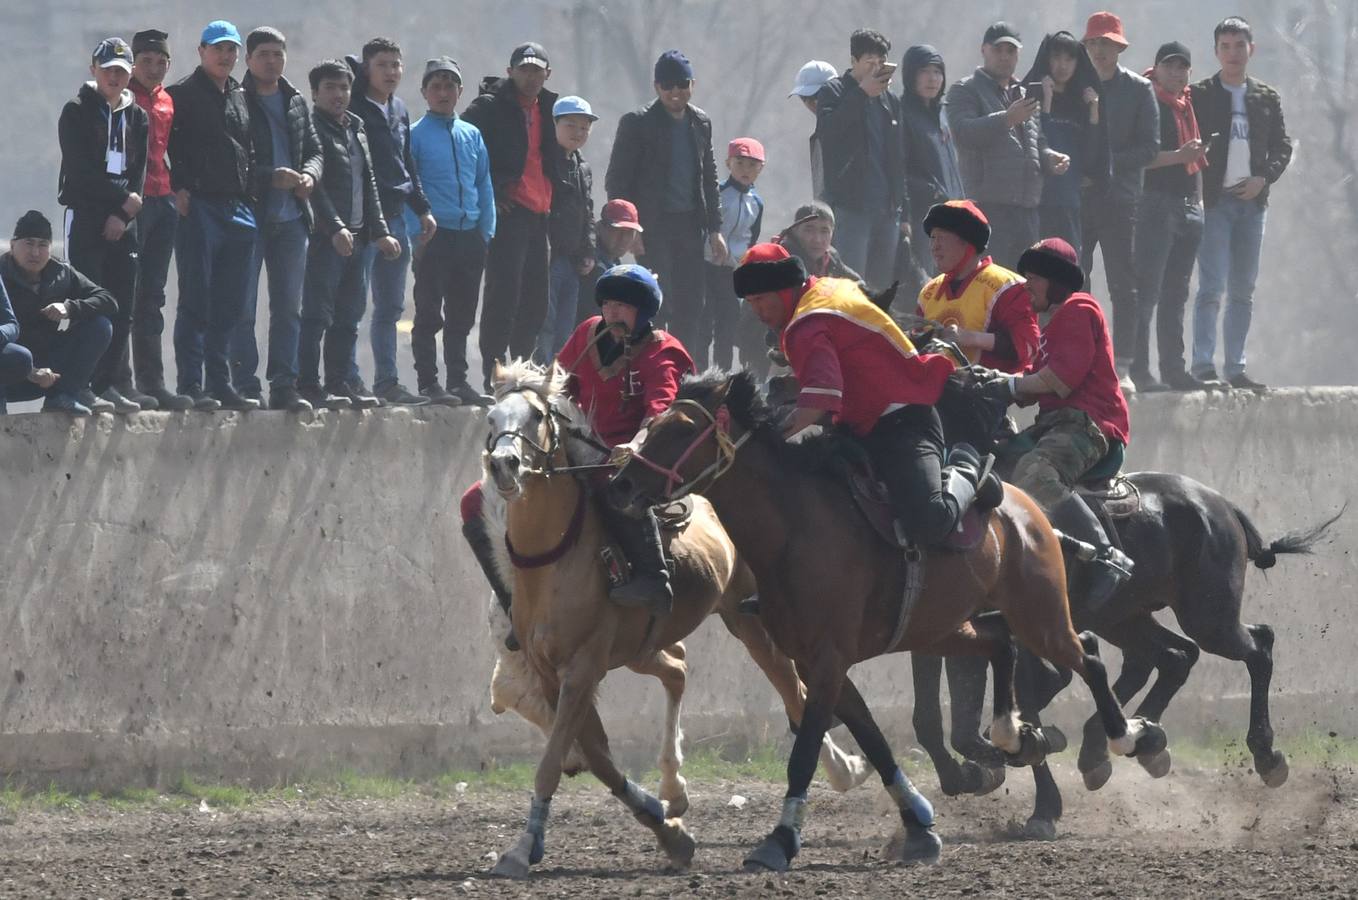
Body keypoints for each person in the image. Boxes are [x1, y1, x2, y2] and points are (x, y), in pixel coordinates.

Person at [732, 242, 1002, 549]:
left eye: (760, 300)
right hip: (859, 425)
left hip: (904, 422)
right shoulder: (825, 289)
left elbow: (820, 401)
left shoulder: (806, 325)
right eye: (750, 303)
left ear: (783, 290)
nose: (757, 311)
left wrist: (765, 435)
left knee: (929, 522)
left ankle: (967, 466)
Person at [972, 238, 1133, 613]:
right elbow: (1033, 379)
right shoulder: (1054, 324)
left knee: (1034, 472)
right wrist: (983, 379)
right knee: (1000, 462)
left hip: (1089, 425)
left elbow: (1059, 379)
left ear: (1057, 282)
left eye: (1033, 278)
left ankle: (1107, 556)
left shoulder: (1080, 309)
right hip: (1055, 425)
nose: (1026, 286)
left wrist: (1007, 385)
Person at [558, 265, 695, 612]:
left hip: (642, 451)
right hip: (584, 442)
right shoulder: (588, 333)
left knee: (615, 485)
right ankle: (509, 593)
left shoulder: (663, 352)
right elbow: (559, 384)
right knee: (481, 499)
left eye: (624, 306)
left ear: (643, 311)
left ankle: (654, 577)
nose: (612, 312)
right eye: (608, 304)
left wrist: (635, 445)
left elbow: (660, 413)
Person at [1190, 16, 1292, 391]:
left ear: (1252, 49)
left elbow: (1283, 146)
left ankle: (1236, 366)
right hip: (1215, 202)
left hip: (1253, 205)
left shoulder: (1265, 97)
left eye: (1239, 45)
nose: (1233, 53)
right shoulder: (1200, 94)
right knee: (1211, 286)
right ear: (1216, 51)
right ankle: (1203, 364)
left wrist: (1263, 178)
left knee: (1243, 290)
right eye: (1225, 46)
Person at [605, 50, 726, 356]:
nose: (676, 92)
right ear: (657, 87)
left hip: (689, 226)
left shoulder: (700, 122)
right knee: (658, 302)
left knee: (692, 304)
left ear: (692, 84)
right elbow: (617, 181)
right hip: (652, 228)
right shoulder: (637, 123)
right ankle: (649, 367)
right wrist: (631, 231)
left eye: (682, 84)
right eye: (668, 85)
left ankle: (684, 374)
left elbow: (708, 178)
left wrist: (715, 229)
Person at [298, 59, 400, 410]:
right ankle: (308, 385)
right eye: (330, 88)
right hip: (325, 240)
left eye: (343, 87)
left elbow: (368, 183)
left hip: (357, 238)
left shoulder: (355, 128)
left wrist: (381, 231)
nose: (338, 95)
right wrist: (335, 227)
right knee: (316, 314)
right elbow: (316, 187)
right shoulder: (311, 129)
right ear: (315, 93)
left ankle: (338, 381)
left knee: (349, 315)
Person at [167, 20, 258, 412]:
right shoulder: (181, 95)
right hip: (199, 205)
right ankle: (191, 383)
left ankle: (220, 383)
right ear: (202, 51)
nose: (226, 56)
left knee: (230, 302)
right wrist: (177, 187)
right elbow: (157, 148)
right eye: (218, 48)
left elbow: (246, 148)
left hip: (237, 207)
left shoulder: (239, 95)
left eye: (232, 49)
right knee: (196, 298)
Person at [232, 27, 323, 413]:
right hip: (250, 216)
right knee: (244, 306)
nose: (272, 61)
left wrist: (310, 175)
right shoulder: (236, 100)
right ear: (249, 59)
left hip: (292, 221)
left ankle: (284, 384)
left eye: (278, 54)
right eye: (264, 54)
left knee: (289, 307)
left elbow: (315, 150)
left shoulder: (295, 101)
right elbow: (232, 162)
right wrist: (271, 176)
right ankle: (245, 383)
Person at [58, 37, 149, 415]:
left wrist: (126, 214)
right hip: (87, 216)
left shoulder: (137, 115)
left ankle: (108, 383)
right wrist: (119, 203)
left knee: (121, 306)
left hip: (123, 221)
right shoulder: (77, 110)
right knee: (88, 304)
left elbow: (138, 173)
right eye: (109, 69)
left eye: (122, 72)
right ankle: (78, 385)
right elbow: (79, 172)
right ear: (95, 69)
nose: (115, 77)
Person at [464, 42, 561, 393]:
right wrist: (490, 190)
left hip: (541, 213)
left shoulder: (551, 107)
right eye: (524, 69)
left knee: (536, 299)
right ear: (510, 72)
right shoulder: (489, 107)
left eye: (537, 70)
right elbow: (464, 147)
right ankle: (494, 373)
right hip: (508, 211)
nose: (531, 76)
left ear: (547, 75)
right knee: (503, 294)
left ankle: (522, 373)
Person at [346, 37, 437, 407]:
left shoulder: (398, 109)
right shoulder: (353, 108)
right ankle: (348, 378)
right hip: (364, 220)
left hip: (399, 218)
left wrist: (423, 208)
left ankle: (387, 381)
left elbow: (406, 165)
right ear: (367, 68)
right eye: (382, 64)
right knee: (352, 304)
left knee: (391, 307)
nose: (391, 72)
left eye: (396, 65)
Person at [406, 56, 495, 407]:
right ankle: (429, 383)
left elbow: (483, 183)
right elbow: (408, 188)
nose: (443, 93)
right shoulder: (414, 135)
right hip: (434, 235)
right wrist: (417, 233)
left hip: (469, 235)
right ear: (425, 92)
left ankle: (458, 381)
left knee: (462, 314)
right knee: (429, 313)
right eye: (436, 87)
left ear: (459, 91)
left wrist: (485, 231)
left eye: (449, 86)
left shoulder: (471, 134)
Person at [1079, 12, 1159, 392]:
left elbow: (1150, 147)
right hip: (1079, 199)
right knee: (1076, 280)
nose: (1099, 51)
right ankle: (1081, 359)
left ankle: (1123, 364)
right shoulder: (1076, 85)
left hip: (1122, 200)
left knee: (1122, 283)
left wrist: (1107, 165)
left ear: (1119, 47)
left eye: (1107, 44)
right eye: (1093, 43)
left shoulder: (1139, 89)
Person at [946, 22, 1069, 271]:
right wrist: (1006, 119)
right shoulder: (964, 89)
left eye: (1010, 51)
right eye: (998, 49)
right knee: (989, 282)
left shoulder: (1023, 93)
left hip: (1027, 210)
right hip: (988, 208)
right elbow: (963, 133)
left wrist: (1049, 158)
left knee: (1024, 285)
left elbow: (1037, 141)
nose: (1004, 56)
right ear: (984, 50)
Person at [1133, 42, 1211, 393]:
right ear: (1157, 67)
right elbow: (1139, 159)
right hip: (1153, 204)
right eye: (1170, 66)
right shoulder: (1146, 101)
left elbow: (1193, 160)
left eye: (1183, 67)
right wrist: (1180, 156)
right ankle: (1138, 369)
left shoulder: (1186, 106)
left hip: (1186, 207)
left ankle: (1173, 368)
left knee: (1176, 293)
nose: (1176, 72)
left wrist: (1199, 201)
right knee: (1147, 291)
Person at [128, 29, 193, 411]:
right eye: (147, 61)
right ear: (135, 63)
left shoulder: (167, 101)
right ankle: (119, 382)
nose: (154, 69)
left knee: (153, 297)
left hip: (162, 199)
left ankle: (153, 382)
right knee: (127, 295)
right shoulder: (123, 97)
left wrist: (177, 191)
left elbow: (174, 151)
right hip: (133, 204)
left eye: (161, 62)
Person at [814, 29, 906, 292]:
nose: (876, 68)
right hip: (851, 206)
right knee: (850, 284)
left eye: (881, 62)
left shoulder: (890, 100)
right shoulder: (834, 91)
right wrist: (861, 94)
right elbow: (828, 134)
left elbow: (898, 157)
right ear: (854, 60)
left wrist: (903, 209)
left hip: (887, 210)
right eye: (870, 62)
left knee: (881, 287)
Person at [0, 211, 115, 416]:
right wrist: (30, 372)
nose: (35, 252)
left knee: (100, 326)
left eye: (42, 245)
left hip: (49, 374)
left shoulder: (60, 273)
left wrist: (70, 308)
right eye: (29, 243)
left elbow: (108, 300)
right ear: (12, 245)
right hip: (11, 369)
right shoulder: (2, 274)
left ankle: (64, 396)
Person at [917, 201, 1039, 373]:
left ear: (967, 242)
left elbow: (1028, 346)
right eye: (932, 237)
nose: (934, 246)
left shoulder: (1007, 287)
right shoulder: (928, 293)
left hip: (988, 393)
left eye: (942, 237)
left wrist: (971, 338)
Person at [1021, 31, 1107, 256]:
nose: (1063, 65)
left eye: (1070, 59)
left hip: (1069, 202)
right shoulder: (1029, 96)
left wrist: (1094, 113)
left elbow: (1090, 157)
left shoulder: (1082, 102)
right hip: (1035, 204)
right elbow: (1035, 143)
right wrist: (1046, 104)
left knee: (1068, 276)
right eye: (1057, 57)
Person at [534, 95, 597, 365]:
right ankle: (540, 377)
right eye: (571, 125)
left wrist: (589, 249)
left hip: (572, 261)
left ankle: (559, 382)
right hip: (548, 257)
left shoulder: (582, 167)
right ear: (555, 125)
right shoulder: (544, 162)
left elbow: (588, 211)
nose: (578, 133)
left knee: (565, 329)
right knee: (544, 325)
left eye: (584, 128)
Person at [899, 44, 965, 291]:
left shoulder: (941, 114)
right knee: (925, 288)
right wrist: (931, 191)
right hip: (921, 218)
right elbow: (898, 170)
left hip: (952, 218)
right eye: (924, 71)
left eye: (937, 72)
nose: (932, 79)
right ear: (910, 75)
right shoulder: (902, 113)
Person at [701, 138, 765, 371]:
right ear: (729, 163)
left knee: (727, 327)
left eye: (752, 165)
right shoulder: (716, 194)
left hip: (732, 272)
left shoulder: (756, 203)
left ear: (761, 168)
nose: (746, 170)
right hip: (708, 267)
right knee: (704, 324)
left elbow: (752, 237)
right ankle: (698, 371)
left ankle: (723, 375)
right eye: (740, 163)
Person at [576, 199, 643, 322]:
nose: (623, 239)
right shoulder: (591, 266)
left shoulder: (615, 266)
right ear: (600, 228)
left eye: (629, 233)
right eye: (618, 231)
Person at [775, 202, 861, 282]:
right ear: (795, 230)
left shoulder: (830, 257)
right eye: (809, 230)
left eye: (824, 231)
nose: (817, 239)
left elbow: (857, 283)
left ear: (832, 233)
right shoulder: (784, 259)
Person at [788, 59, 837, 200]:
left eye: (816, 96)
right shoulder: (819, 133)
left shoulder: (851, 122)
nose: (811, 103)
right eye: (804, 98)